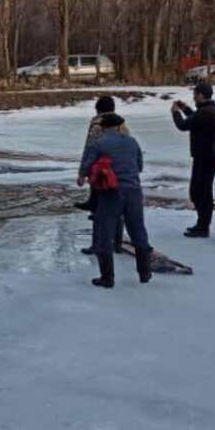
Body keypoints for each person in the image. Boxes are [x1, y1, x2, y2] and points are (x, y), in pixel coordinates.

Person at [78, 113, 154, 288]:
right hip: (134, 191)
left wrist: (83, 176)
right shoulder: (132, 142)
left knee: (105, 233)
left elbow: (89, 165)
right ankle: (144, 272)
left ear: (103, 128)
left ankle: (107, 277)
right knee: (137, 230)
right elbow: (139, 166)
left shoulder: (99, 143)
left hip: (111, 192)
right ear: (120, 126)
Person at [76, 96, 129, 255]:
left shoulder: (97, 125)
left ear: (98, 109)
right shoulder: (122, 124)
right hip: (120, 172)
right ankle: (117, 244)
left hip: (101, 172)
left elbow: (90, 149)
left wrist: (82, 173)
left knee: (98, 208)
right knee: (117, 207)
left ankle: (97, 244)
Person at [172, 82, 215, 238]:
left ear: (201, 96)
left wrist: (175, 113)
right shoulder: (211, 109)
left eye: (195, 95)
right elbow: (195, 118)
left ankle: (203, 226)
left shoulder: (205, 112)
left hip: (206, 156)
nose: (194, 97)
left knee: (200, 193)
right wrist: (185, 108)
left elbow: (183, 125)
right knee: (199, 191)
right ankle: (202, 224)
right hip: (207, 155)